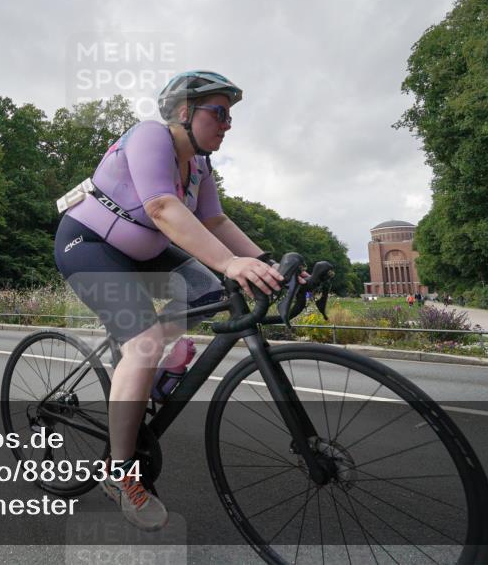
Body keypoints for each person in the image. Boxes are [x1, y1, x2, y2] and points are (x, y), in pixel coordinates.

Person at [54, 71, 304, 531]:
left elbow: (214, 221)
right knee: (145, 341)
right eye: (220, 112)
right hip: (89, 244)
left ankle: (156, 366)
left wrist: (266, 263)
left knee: (210, 294)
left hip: (145, 252)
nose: (227, 123)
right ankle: (119, 472)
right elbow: (162, 209)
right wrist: (230, 264)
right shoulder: (151, 136)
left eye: (230, 116)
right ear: (185, 112)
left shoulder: (201, 166)